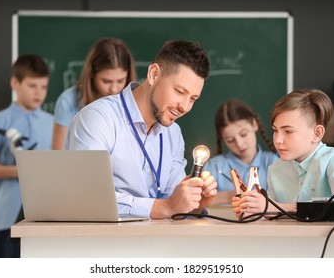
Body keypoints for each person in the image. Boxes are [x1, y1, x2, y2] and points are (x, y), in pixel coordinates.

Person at [67, 39, 217, 219]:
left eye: (193, 99)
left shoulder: (173, 134)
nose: (184, 106)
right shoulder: (98, 119)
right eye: (179, 91)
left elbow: (172, 200)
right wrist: (164, 207)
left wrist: (192, 205)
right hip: (104, 243)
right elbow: (88, 197)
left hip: (157, 242)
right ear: (154, 74)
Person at [232, 88, 334, 218]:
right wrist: (251, 209)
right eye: (275, 130)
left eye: (288, 131)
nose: (277, 140)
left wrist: (278, 207)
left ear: (317, 134)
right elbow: (271, 214)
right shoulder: (275, 169)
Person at [0, 54, 53, 257]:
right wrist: (21, 170)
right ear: (15, 83)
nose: (39, 93)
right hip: (7, 217)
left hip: (46, 216)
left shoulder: (53, 123)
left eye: (43, 87)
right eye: (32, 86)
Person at [52, 37, 137, 150]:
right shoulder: (68, 100)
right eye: (106, 81)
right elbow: (58, 155)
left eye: (121, 81)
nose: (114, 89)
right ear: (92, 74)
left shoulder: (135, 102)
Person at [204, 99, 279, 205]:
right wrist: (229, 196)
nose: (239, 144)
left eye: (243, 134)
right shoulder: (214, 166)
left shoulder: (274, 162)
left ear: (254, 124)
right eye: (230, 140)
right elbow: (197, 203)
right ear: (222, 139)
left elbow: (286, 202)